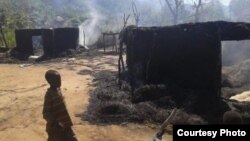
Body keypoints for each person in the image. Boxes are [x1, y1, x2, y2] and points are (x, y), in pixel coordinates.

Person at [43, 70, 78, 141]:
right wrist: (56, 123)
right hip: (56, 128)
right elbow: (46, 113)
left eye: (59, 79)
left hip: (66, 124)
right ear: (49, 81)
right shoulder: (49, 95)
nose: (59, 82)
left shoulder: (58, 90)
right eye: (56, 80)